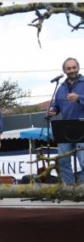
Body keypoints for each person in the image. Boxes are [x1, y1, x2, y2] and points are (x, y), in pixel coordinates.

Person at [49, 57, 84, 185]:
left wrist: (79, 98)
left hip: (82, 127)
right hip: (65, 128)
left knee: (83, 160)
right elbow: (57, 105)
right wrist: (53, 110)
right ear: (64, 70)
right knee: (63, 160)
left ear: (78, 68)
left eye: (74, 67)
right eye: (68, 68)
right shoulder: (61, 87)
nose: (71, 70)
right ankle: (70, 189)